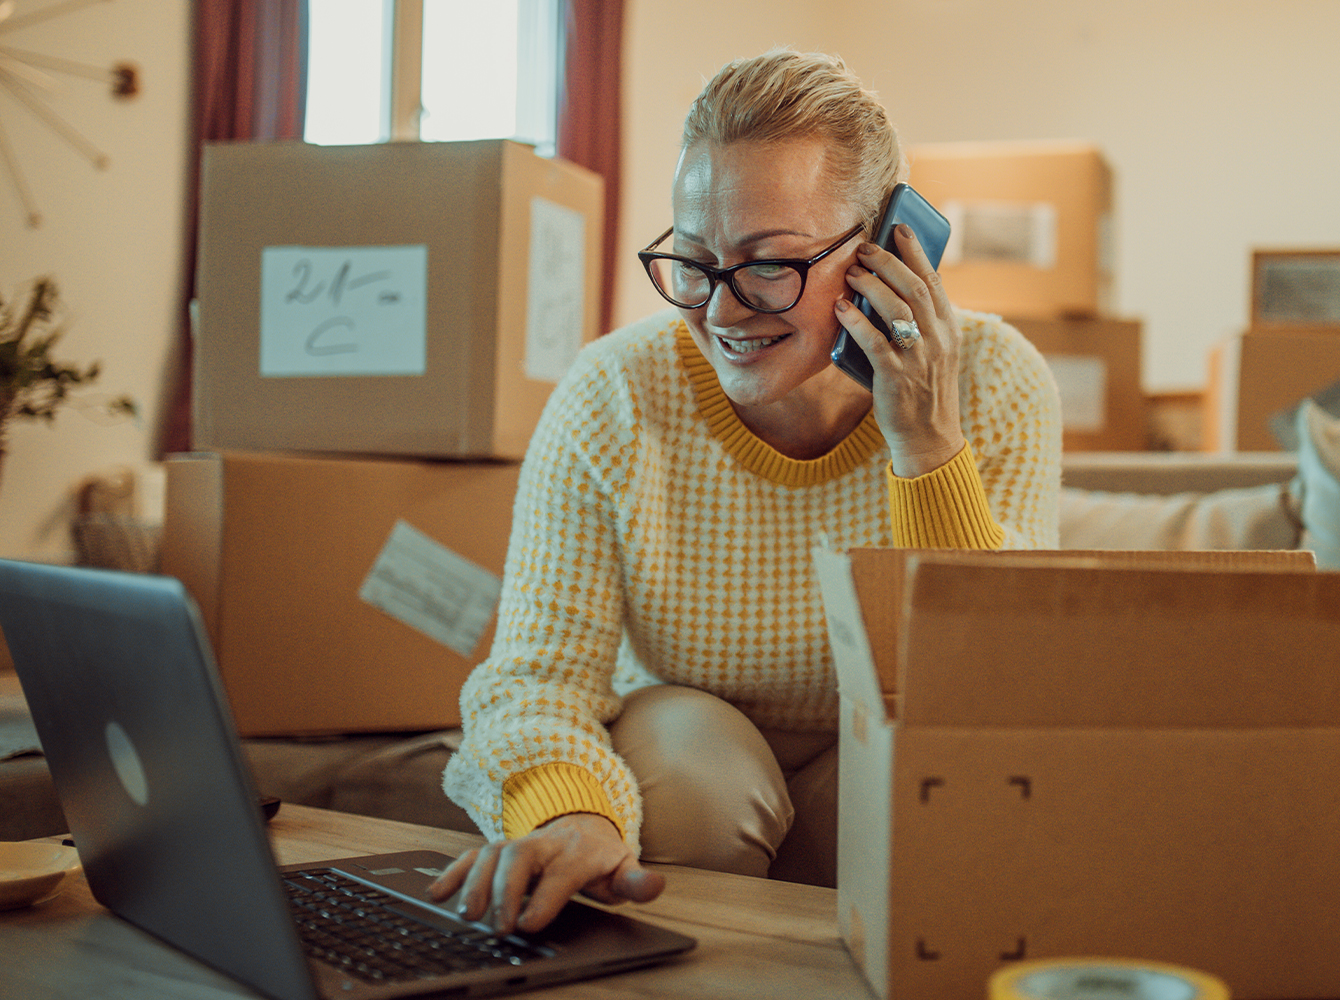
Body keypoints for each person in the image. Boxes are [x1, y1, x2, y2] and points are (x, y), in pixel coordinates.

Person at [430, 48, 1062, 934]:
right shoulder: (616, 389)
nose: (722, 311)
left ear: (887, 252)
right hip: (691, 778)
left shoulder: (998, 381)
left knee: (938, 786)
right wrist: (571, 811)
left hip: (888, 760)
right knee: (697, 767)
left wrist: (925, 441)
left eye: (771, 264)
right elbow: (534, 679)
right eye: (694, 261)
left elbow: (1001, 690)